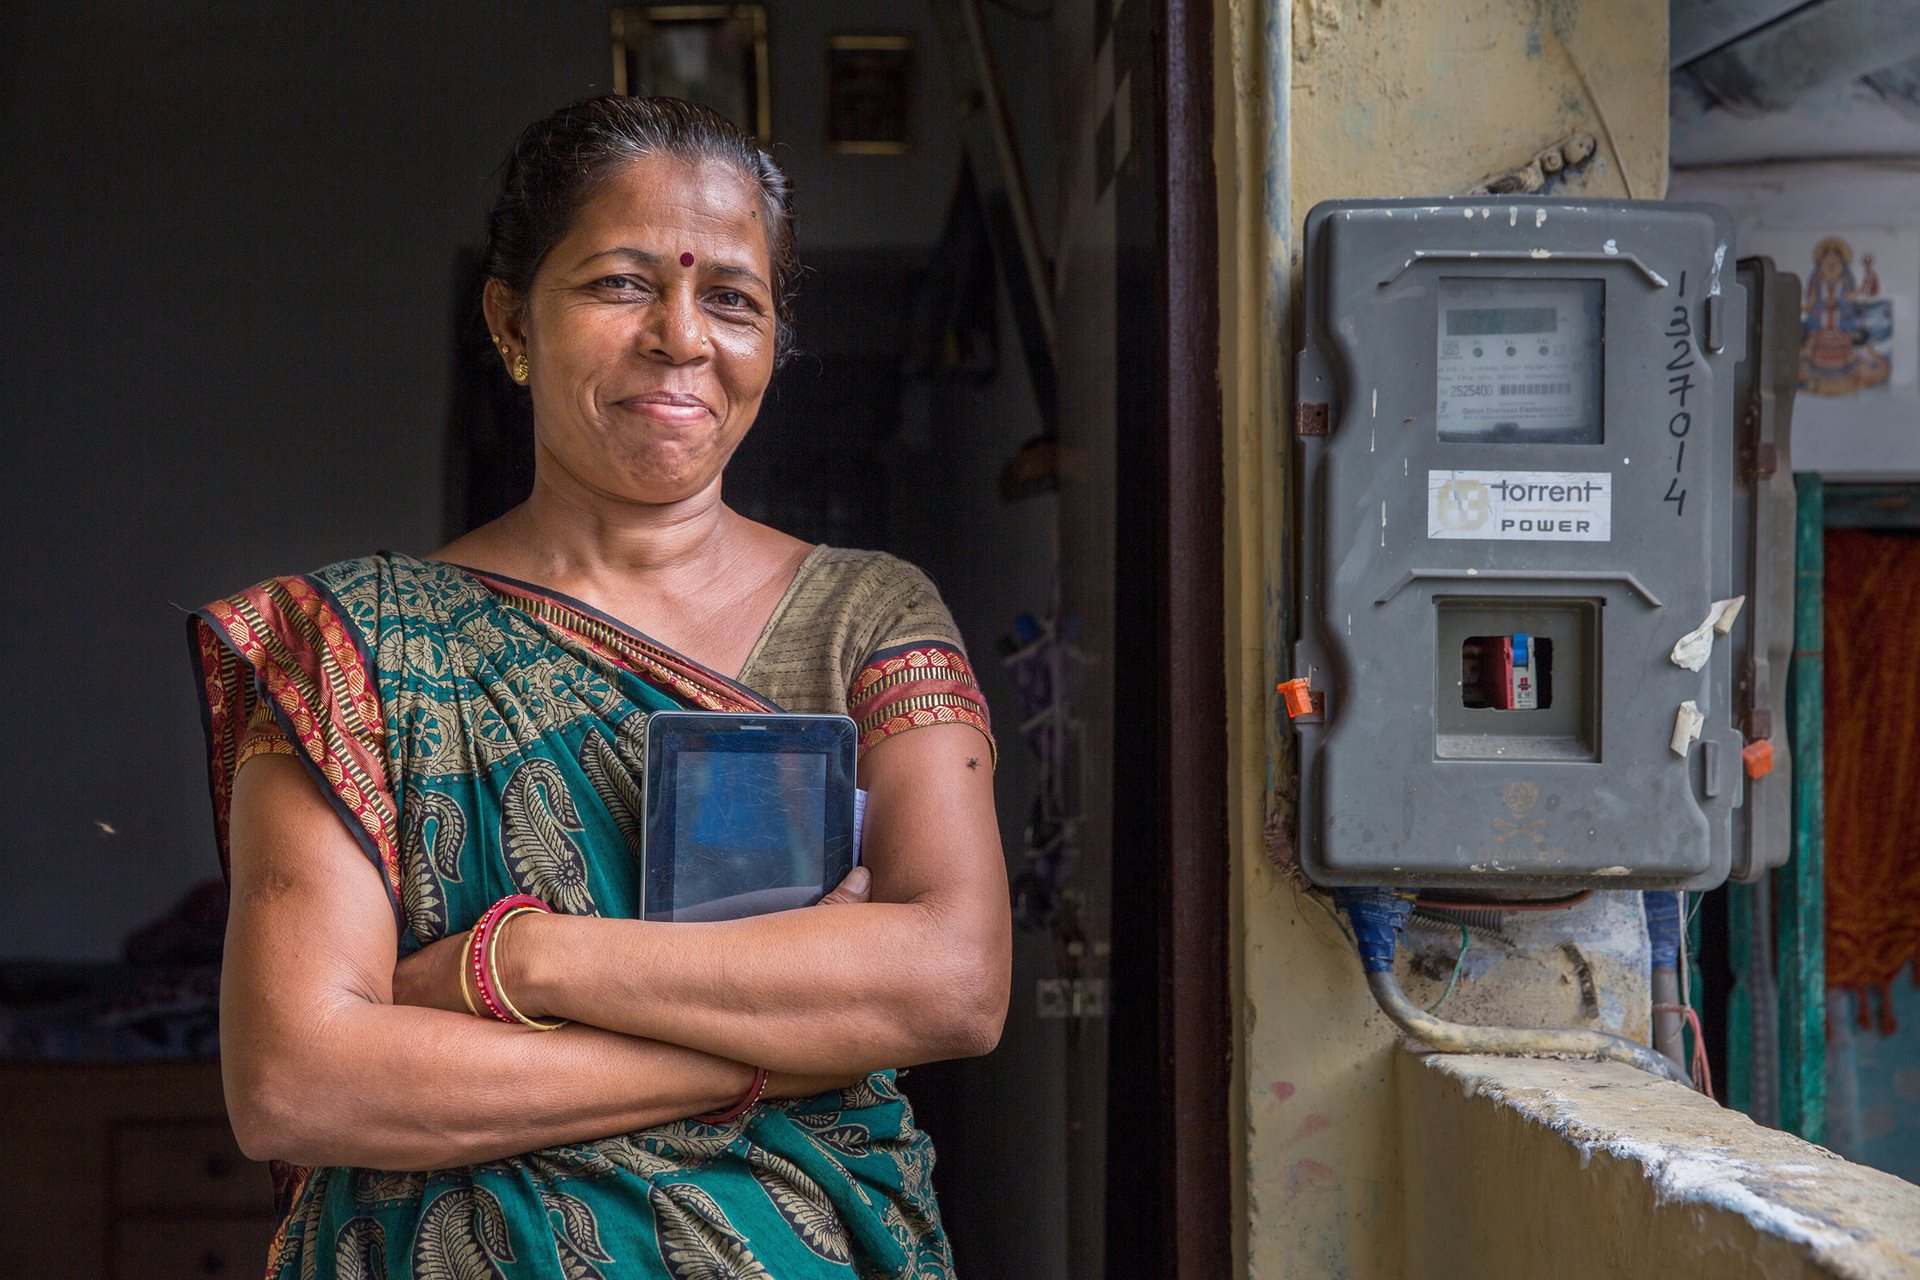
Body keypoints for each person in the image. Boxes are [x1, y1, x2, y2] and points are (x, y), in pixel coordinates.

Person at [188, 95, 1010, 1279]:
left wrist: (518, 963)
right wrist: (777, 1043)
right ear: (510, 317)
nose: (682, 336)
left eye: (732, 296)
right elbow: (297, 1080)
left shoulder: (868, 616)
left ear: (774, 339)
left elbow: (954, 981)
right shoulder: (352, 649)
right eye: (622, 282)